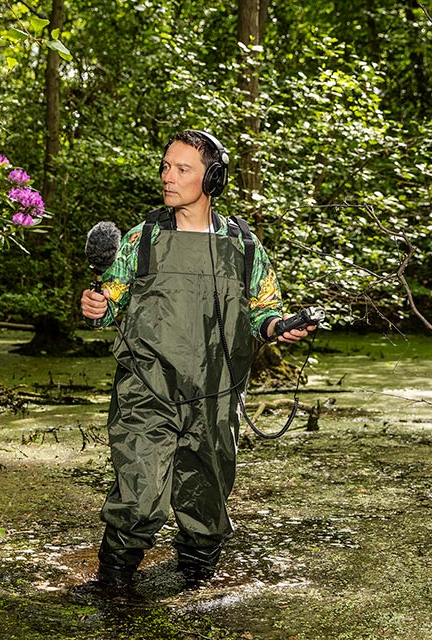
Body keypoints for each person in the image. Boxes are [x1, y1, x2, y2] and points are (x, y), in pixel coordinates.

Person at [80, 129, 315, 589]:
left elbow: (263, 314)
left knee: (206, 503)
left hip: (216, 395)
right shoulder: (141, 238)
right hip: (146, 391)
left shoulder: (244, 246)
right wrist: (96, 307)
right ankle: (110, 594)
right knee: (139, 497)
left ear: (213, 178)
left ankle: (197, 585)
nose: (168, 177)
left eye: (181, 169)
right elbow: (107, 304)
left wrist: (282, 327)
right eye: (166, 166)